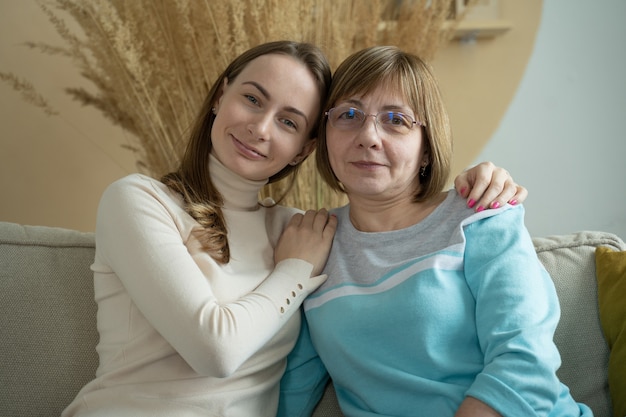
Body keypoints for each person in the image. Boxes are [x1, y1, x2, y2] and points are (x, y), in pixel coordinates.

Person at [61, 41, 524, 417]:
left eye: (288, 121)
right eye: (252, 98)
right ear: (221, 95)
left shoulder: (302, 230)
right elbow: (216, 351)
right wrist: (295, 271)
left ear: (305, 149)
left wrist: (486, 179)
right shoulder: (141, 201)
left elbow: (294, 382)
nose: (261, 128)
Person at [277, 46, 592, 417]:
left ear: (426, 148)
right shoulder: (314, 242)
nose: (368, 136)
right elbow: (291, 389)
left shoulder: (479, 215)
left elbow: (525, 362)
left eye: (395, 119)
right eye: (348, 114)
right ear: (324, 136)